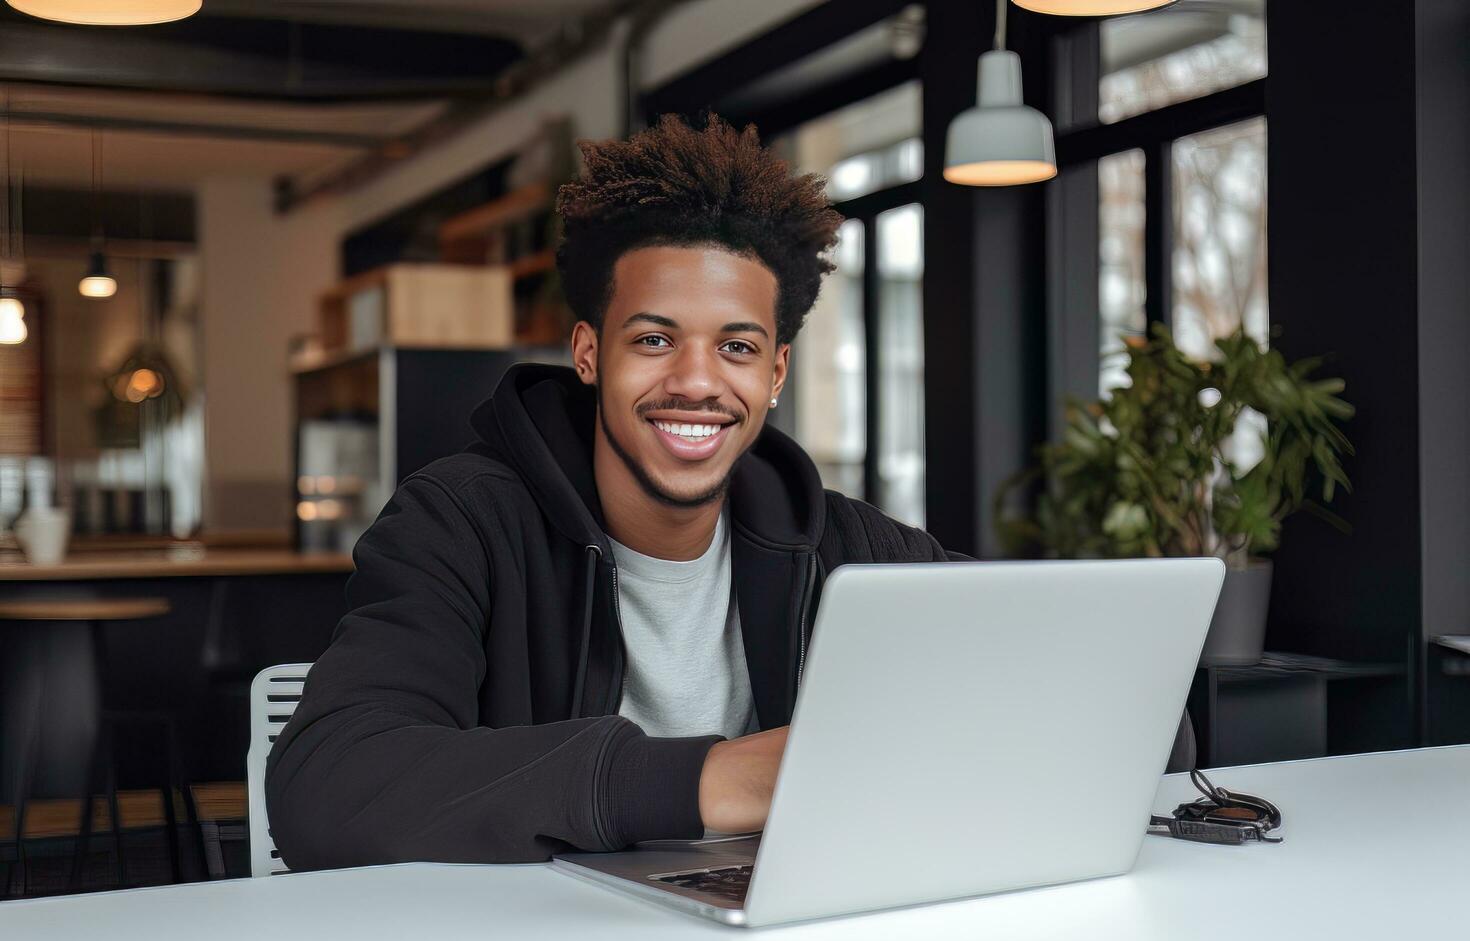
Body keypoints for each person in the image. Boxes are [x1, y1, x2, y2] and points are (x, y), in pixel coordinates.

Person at [265, 114, 1190, 871]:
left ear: (777, 371)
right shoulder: (459, 522)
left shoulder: (839, 545)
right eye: (656, 339)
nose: (699, 382)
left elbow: (1129, 711)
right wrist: (720, 779)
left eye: (738, 347)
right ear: (588, 353)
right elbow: (325, 786)